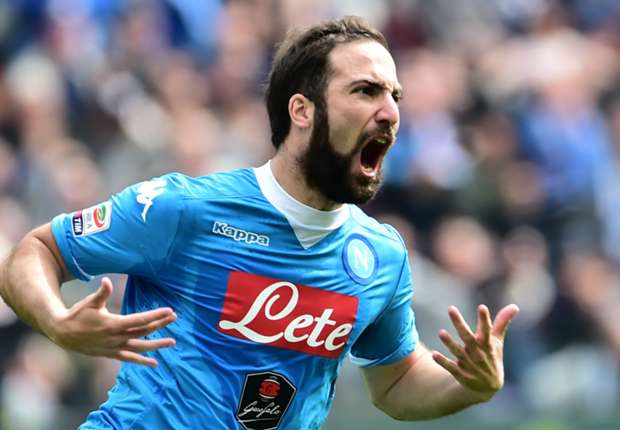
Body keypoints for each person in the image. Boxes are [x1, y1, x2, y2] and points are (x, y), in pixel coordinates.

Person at [0, 16, 519, 429]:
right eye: (365, 91)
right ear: (302, 110)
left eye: (394, 96)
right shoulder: (185, 209)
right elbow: (36, 251)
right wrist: (57, 321)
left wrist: (471, 386)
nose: (389, 112)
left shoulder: (381, 256)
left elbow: (398, 382)